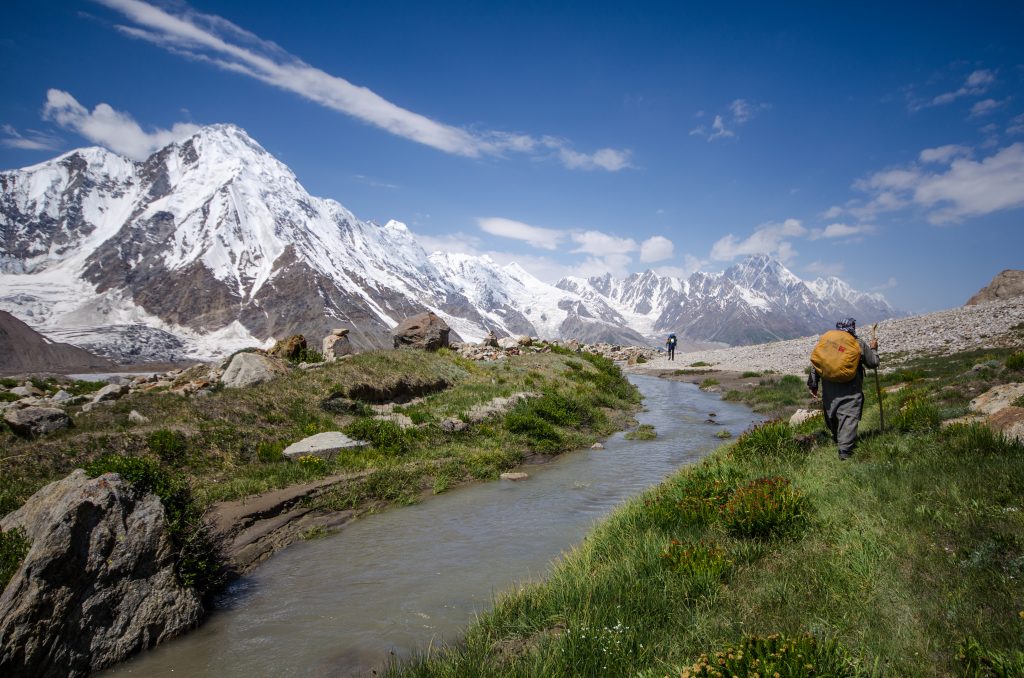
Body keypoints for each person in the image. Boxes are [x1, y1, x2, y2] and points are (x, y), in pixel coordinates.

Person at [807, 318, 879, 460]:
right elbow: (873, 363)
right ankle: (845, 452)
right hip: (850, 387)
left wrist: (813, 384)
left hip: (829, 387)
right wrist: (874, 349)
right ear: (852, 328)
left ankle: (837, 439)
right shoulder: (858, 343)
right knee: (849, 415)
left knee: (831, 412)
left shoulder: (827, 340)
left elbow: (817, 363)